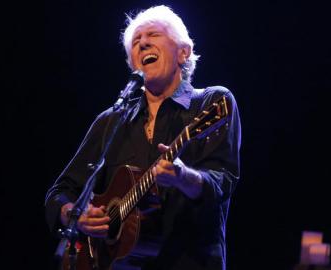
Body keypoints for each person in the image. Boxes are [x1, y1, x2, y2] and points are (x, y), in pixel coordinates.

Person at [45, 5, 241, 270]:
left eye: (153, 35)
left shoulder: (212, 103)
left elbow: (221, 183)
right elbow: (60, 193)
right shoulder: (111, 121)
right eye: (136, 42)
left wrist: (183, 177)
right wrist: (76, 216)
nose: (143, 42)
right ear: (133, 64)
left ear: (183, 52)